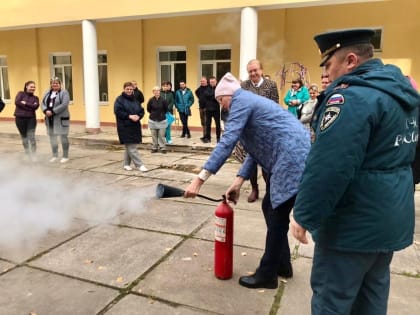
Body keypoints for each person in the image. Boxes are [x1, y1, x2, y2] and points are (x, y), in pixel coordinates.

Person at [290, 29, 420, 315]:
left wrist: (304, 214)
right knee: (371, 300)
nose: (325, 71)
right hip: (390, 219)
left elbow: (329, 165)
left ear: (349, 60)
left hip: (352, 225)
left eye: (327, 64)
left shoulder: (350, 99)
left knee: (332, 302)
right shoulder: (404, 92)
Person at [184, 72, 310, 289]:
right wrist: (238, 182)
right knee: (270, 207)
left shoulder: (241, 101)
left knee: (276, 212)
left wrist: (199, 179)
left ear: (227, 95)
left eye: (221, 100)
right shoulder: (248, 102)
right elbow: (254, 150)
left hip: (291, 158)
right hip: (290, 154)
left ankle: (267, 274)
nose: (222, 106)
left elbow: (227, 142)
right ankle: (282, 265)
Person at [239, 59, 280, 202]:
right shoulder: (243, 86)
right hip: (249, 131)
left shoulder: (271, 85)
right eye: (250, 71)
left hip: (266, 131)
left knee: (267, 164)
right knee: (250, 163)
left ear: (261, 70)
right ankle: (254, 189)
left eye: (255, 70)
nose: (253, 73)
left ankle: (270, 191)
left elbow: (275, 107)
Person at [114, 81, 148, 172]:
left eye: (131, 89)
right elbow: (118, 111)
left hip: (135, 126)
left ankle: (126, 164)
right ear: (124, 89)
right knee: (132, 146)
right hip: (124, 126)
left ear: (133, 89)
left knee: (129, 146)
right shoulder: (119, 100)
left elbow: (141, 110)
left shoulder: (135, 100)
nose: (129, 90)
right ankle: (140, 165)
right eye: (127, 89)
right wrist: (129, 116)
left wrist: (138, 116)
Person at [41, 77, 71, 163]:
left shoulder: (64, 92)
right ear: (51, 84)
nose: (54, 84)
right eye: (53, 83)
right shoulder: (47, 92)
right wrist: (45, 110)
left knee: (63, 136)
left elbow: (64, 104)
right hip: (49, 118)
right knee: (52, 137)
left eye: (56, 83)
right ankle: (55, 155)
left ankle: (65, 156)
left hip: (61, 118)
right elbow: (42, 103)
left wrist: (53, 111)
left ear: (60, 84)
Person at [14, 81, 40, 160]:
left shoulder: (36, 98)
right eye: (31, 86)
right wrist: (30, 107)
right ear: (26, 86)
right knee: (24, 137)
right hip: (20, 118)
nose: (33, 88)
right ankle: (27, 154)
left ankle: (34, 155)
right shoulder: (20, 94)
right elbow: (17, 102)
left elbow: (35, 107)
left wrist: (25, 103)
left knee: (31, 136)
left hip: (31, 119)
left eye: (34, 87)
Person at [147, 86, 168, 154]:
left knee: (161, 135)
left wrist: (160, 114)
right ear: (153, 92)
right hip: (152, 120)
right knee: (154, 135)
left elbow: (166, 109)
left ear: (160, 92)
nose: (156, 92)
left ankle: (163, 148)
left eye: (158, 90)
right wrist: (154, 114)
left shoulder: (163, 100)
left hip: (162, 120)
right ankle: (154, 147)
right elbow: (148, 109)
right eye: (155, 91)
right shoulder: (151, 100)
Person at [201, 76, 221, 143]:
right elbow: (206, 95)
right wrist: (214, 96)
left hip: (216, 109)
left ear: (216, 82)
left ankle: (218, 138)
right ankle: (208, 138)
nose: (212, 83)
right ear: (209, 82)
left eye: (213, 82)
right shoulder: (207, 88)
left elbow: (218, 96)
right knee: (208, 125)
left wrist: (212, 96)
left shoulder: (219, 88)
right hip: (208, 109)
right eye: (211, 82)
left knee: (218, 124)